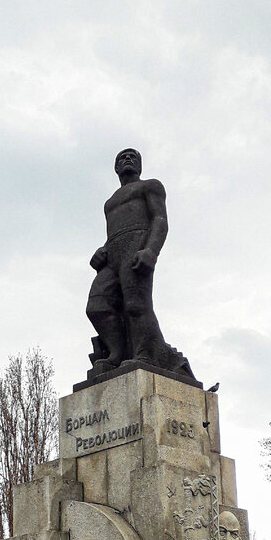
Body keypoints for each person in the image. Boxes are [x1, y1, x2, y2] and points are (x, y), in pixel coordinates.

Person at [86, 149, 196, 380]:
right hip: (113, 253)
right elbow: (111, 235)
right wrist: (101, 252)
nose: (127, 159)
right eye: (122, 158)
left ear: (140, 166)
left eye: (132, 157)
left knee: (136, 305)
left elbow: (160, 220)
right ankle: (116, 353)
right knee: (97, 306)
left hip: (137, 246)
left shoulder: (151, 186)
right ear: (116, 168)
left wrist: (151, 251)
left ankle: (144, 355)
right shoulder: (109, 203)